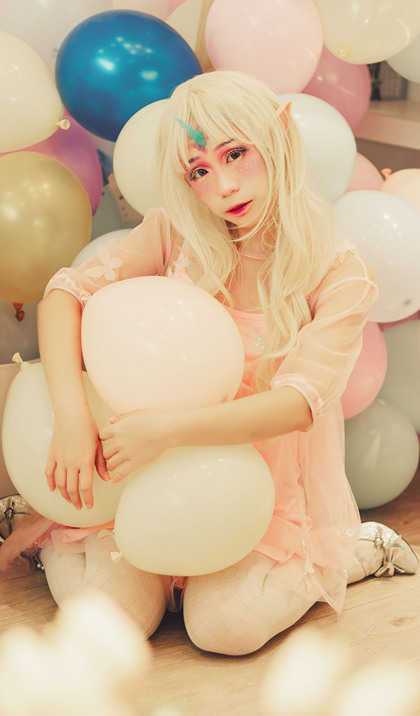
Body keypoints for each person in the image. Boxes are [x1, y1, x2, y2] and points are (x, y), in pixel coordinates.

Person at [2, 70, 417, 655]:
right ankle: (61, 541)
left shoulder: (338, 271)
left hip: (257, 487)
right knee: (109, 621)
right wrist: (72, 419)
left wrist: (165, 432)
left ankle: (352, 551)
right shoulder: (174, 234)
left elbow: (298, 405)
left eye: (235, 153)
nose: (222, 185)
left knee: (224, 627)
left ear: (278, 134)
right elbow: (64, 295)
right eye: (198, 171)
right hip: (142, 469)